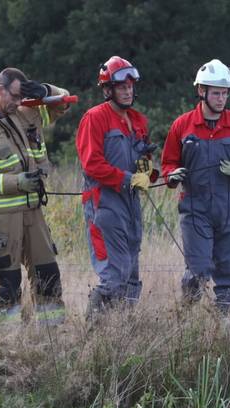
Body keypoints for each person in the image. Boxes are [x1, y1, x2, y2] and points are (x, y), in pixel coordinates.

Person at [0, 68, 73, 325]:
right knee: (6, 284)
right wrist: (16, 182)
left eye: (23, 96)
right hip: (1, 220)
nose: (19, 102)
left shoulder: (26, 115)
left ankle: (52, 335)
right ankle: (7, 343)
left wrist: (45, 91)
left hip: (33, 213)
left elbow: (63, 102)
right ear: (0, 91)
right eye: (14, 96)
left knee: (48, 275)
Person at [160, 59, 230, 312]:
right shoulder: (182, 125)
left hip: (229, 209)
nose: (221, 99)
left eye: (225, 93)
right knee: (197, 271)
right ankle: (186, 320)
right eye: (216, 93)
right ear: (201, 91)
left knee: (228, 273)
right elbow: (167, 164)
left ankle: (225, 328)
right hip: (195, 210)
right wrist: (172, 176)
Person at [76, 55, 154, 316]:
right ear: (108, 90)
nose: (127, 90)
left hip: (131, 203)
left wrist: (146, 171)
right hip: (104, 203)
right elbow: (92, 164)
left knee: (131, 272)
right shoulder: (94, 118)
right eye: (122, 87)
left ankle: (124, 332)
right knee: (114, 273)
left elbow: (145, 158)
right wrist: (128, 179)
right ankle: (96, 334)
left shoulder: (139, 120)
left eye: (130, 86)